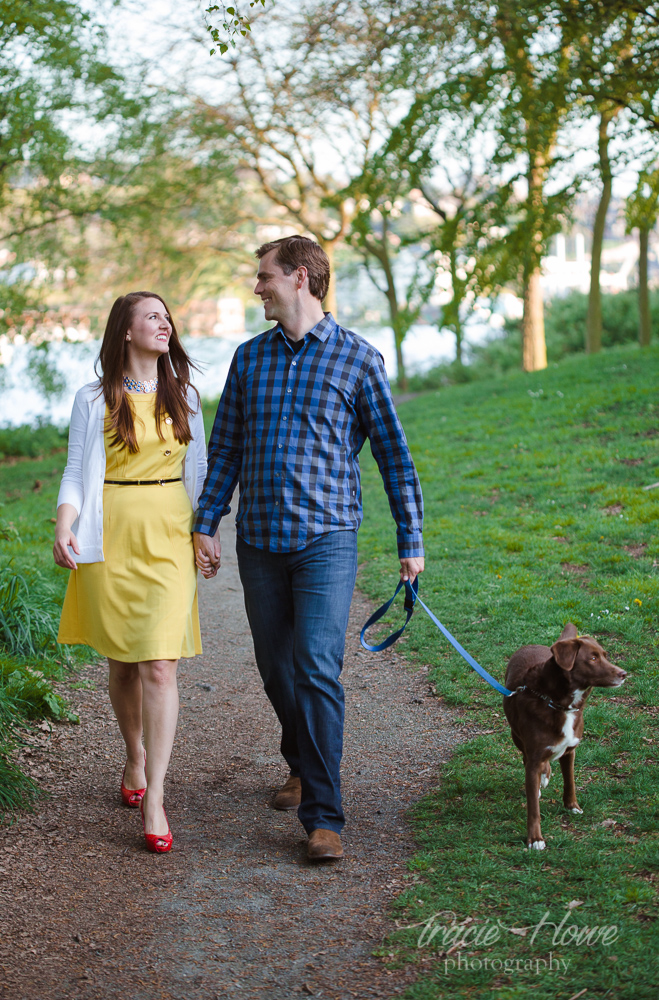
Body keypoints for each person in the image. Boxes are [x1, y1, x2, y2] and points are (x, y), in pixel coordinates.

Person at [193, 236, 424, 861]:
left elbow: (394, 457)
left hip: (327, 540)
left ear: (299, 279)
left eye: (264, 276)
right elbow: (228, 451)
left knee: (317, 668)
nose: (257, 286)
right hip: (260, 542)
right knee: (277, 670)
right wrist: (206, 520)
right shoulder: (248, 360)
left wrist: (411, 540)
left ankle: (325, 817)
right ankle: (300, 760)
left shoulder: (358, 359)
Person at [53, 291, 210, 853]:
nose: (164, 323)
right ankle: (134, 754)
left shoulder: (186, 394)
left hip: (168, 535)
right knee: (123, 661)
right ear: (125, 329)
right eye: (152, 316)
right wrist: (64, 524)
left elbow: (201, 470)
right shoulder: (94, 398)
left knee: (160, 666)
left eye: (168, 316)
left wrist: (204, 531)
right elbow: (74, 472)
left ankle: (158, 795)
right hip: (110, 533)